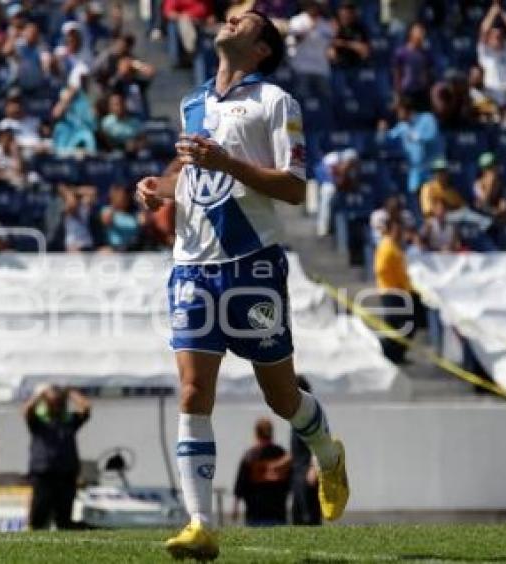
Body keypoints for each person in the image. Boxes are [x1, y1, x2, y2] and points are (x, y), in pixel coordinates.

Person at [135, 11, 348, 560]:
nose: (228, 22)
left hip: (252, 263)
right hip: (192, 267)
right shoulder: (193, 101)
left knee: (280, 398)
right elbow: (190, 172)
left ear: (261, 49)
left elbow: (295, 187)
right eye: (228, 17)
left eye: (242, 22)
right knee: (191, 391)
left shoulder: (276, 102)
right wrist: (159, 188)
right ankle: (201, 525)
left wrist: (226, 161)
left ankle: (327, 451)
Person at [23, 385, 91, 530]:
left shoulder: (69, 421)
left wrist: (70, 392)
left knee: (64, 519)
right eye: (52, 402)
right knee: (38, 518)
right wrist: (41, 394)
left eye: (59, 402)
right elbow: (27, 410)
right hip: (44, 475)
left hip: (66, 474)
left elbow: (86, 408)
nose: (56, 405)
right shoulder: (39, 421)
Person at [379, 96, 445, 220]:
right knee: (417, 210)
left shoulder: (427, 119)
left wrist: (416, 137)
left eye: (398, 111)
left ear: (405, 110)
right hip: (415, 175)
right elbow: (389, 139)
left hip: (432, 174)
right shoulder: (402, 126)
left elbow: (432, 136)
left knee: (433, 209)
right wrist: (382, 132)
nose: (397, 114)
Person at [232, 417, 291, 526]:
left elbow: (239, 486)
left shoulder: (249, 456)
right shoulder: (281, 454)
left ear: (256, 434)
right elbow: (290, 482)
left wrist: (235, 509)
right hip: (278, 514)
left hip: (254, 515)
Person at [374, 217, 416, 363]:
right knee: (397, 325)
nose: (399, 232)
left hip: (400, 290)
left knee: (404, 325)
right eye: (397, 229)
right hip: (390, 290)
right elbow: (381, 268)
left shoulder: (395, 246)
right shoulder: (386, 245)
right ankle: (389, 353)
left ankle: (396, 354)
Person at [286, 1, 333, 101]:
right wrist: (308, 29)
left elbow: (330, 44)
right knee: (302, 99)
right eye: (312, 5)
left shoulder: (325, 24)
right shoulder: (297, 21)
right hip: (302, 68)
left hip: (321, 68)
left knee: (326, 100)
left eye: (316, 6)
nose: (314, 8)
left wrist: (331, 50)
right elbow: (291, 42)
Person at [290, 376, 321, 525]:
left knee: (309, 517)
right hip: (298, 473)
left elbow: (317, 442)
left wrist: (314, 468)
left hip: (306, 474)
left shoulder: (308, 414)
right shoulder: (297, 415)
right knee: (298, 517)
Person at [478, 0, 506, 107]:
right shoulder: (485, 51)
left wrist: (503, 13)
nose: (497, 38)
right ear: (488, 38)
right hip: (491, 92)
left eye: (500, 36)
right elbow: (484, 29)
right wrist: (494, 9)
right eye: (494, 36)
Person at [391, 22, 432, 109]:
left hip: (421, 93)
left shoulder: (425, 53)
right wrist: (397, 94)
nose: (421, 35)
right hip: (407, 92)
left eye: (423, 32)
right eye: (419, 32)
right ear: (411, 33)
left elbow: (426, 73)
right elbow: (397, 74)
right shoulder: (401, 53)